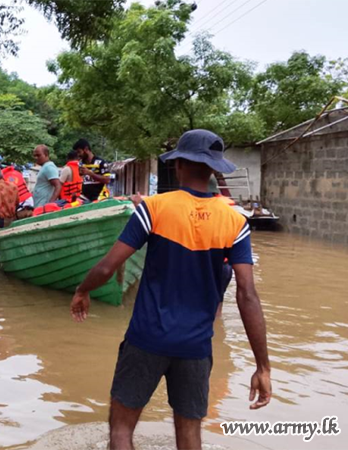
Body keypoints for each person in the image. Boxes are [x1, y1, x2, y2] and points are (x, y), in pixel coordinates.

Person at [70, 130, 271, 450]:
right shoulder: (235, 222)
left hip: (146, 339)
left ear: (178, 165)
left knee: (121, 430)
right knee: (190, 435)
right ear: (214, 169)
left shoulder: (153, 208)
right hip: (196, 347)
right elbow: (247, 294)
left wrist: (82, 290)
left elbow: (107, 267)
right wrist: (262, 366)